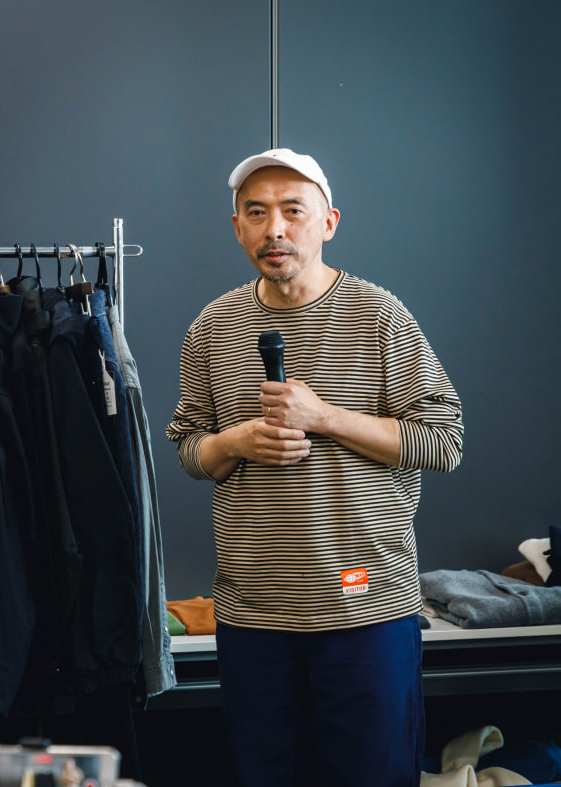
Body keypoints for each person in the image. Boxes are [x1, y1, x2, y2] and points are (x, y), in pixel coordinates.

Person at [166, 148, 463, 786]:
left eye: (292, 211)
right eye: (256, 213)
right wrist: (236, 441)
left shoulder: (378, 316)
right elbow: (190, 448)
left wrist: (324, 417)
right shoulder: (212, 327)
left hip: (364, 610)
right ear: (237, 228)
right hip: (251, 616)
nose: (274, 229)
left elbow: (443, 441)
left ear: (327, 222)